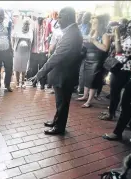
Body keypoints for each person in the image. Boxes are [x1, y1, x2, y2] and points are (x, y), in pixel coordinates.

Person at [29, 7, 83, 135]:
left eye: (60, 17)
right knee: (60, 102)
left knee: (62, 103)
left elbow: (56, 57)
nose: (58, 20)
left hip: (64, 75)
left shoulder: (72, 34)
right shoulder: (72, 31)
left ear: (68, 17)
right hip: (64, 74)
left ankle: (59, 127)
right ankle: (56, 121)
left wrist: (39, 73)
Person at [98, 19, 131, 121]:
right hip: (119, 67)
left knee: (115, 91)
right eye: (128, 27)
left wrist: (117, 35)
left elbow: (119, 50)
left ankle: (111, 114)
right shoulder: (129, 37)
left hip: (124, 69)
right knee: (114, 91)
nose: (128, 29)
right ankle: (111, 111)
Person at [77, 14, 110, 108]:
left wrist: (94, 41)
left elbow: (105, 48)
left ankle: (89, 100)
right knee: (87, 78)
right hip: (88, 58)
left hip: (97, 60)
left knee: (93, 80)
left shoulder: (105, 35)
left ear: (100, 24)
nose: (93, 24)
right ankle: (84, 95)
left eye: (95, 23)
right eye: (93, 22)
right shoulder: (92, 32)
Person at [12, 19, 33, 88]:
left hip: (26, 51)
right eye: (25, 24)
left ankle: (23, 82)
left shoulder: (30, 31)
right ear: (22, 24)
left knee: (24, 67)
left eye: (27, 24)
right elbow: (13, 37)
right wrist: (13, 46)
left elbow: (31, 41)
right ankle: (18, 82)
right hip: (17, 51)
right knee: (17, 66)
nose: (26, 25)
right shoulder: (18, 30)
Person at [29, 16, 49, 90]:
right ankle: (34, 83)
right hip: (34, 51)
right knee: (34, 69)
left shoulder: (46, 26)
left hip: (42, 52)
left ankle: (42, 84)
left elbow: (47, 39)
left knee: (42, 68)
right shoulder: (33, 25)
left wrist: (47, 50)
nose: (41, 21)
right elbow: (31, 38)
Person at [77, 12, 92, 95]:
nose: (83, 18)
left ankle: (81, 89)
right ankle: (76, 86)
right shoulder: (78, 26)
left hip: (86, 51)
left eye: (86, 17)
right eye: (83, 16)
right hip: (77, 50)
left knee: (82, 71)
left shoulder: (91, 27)